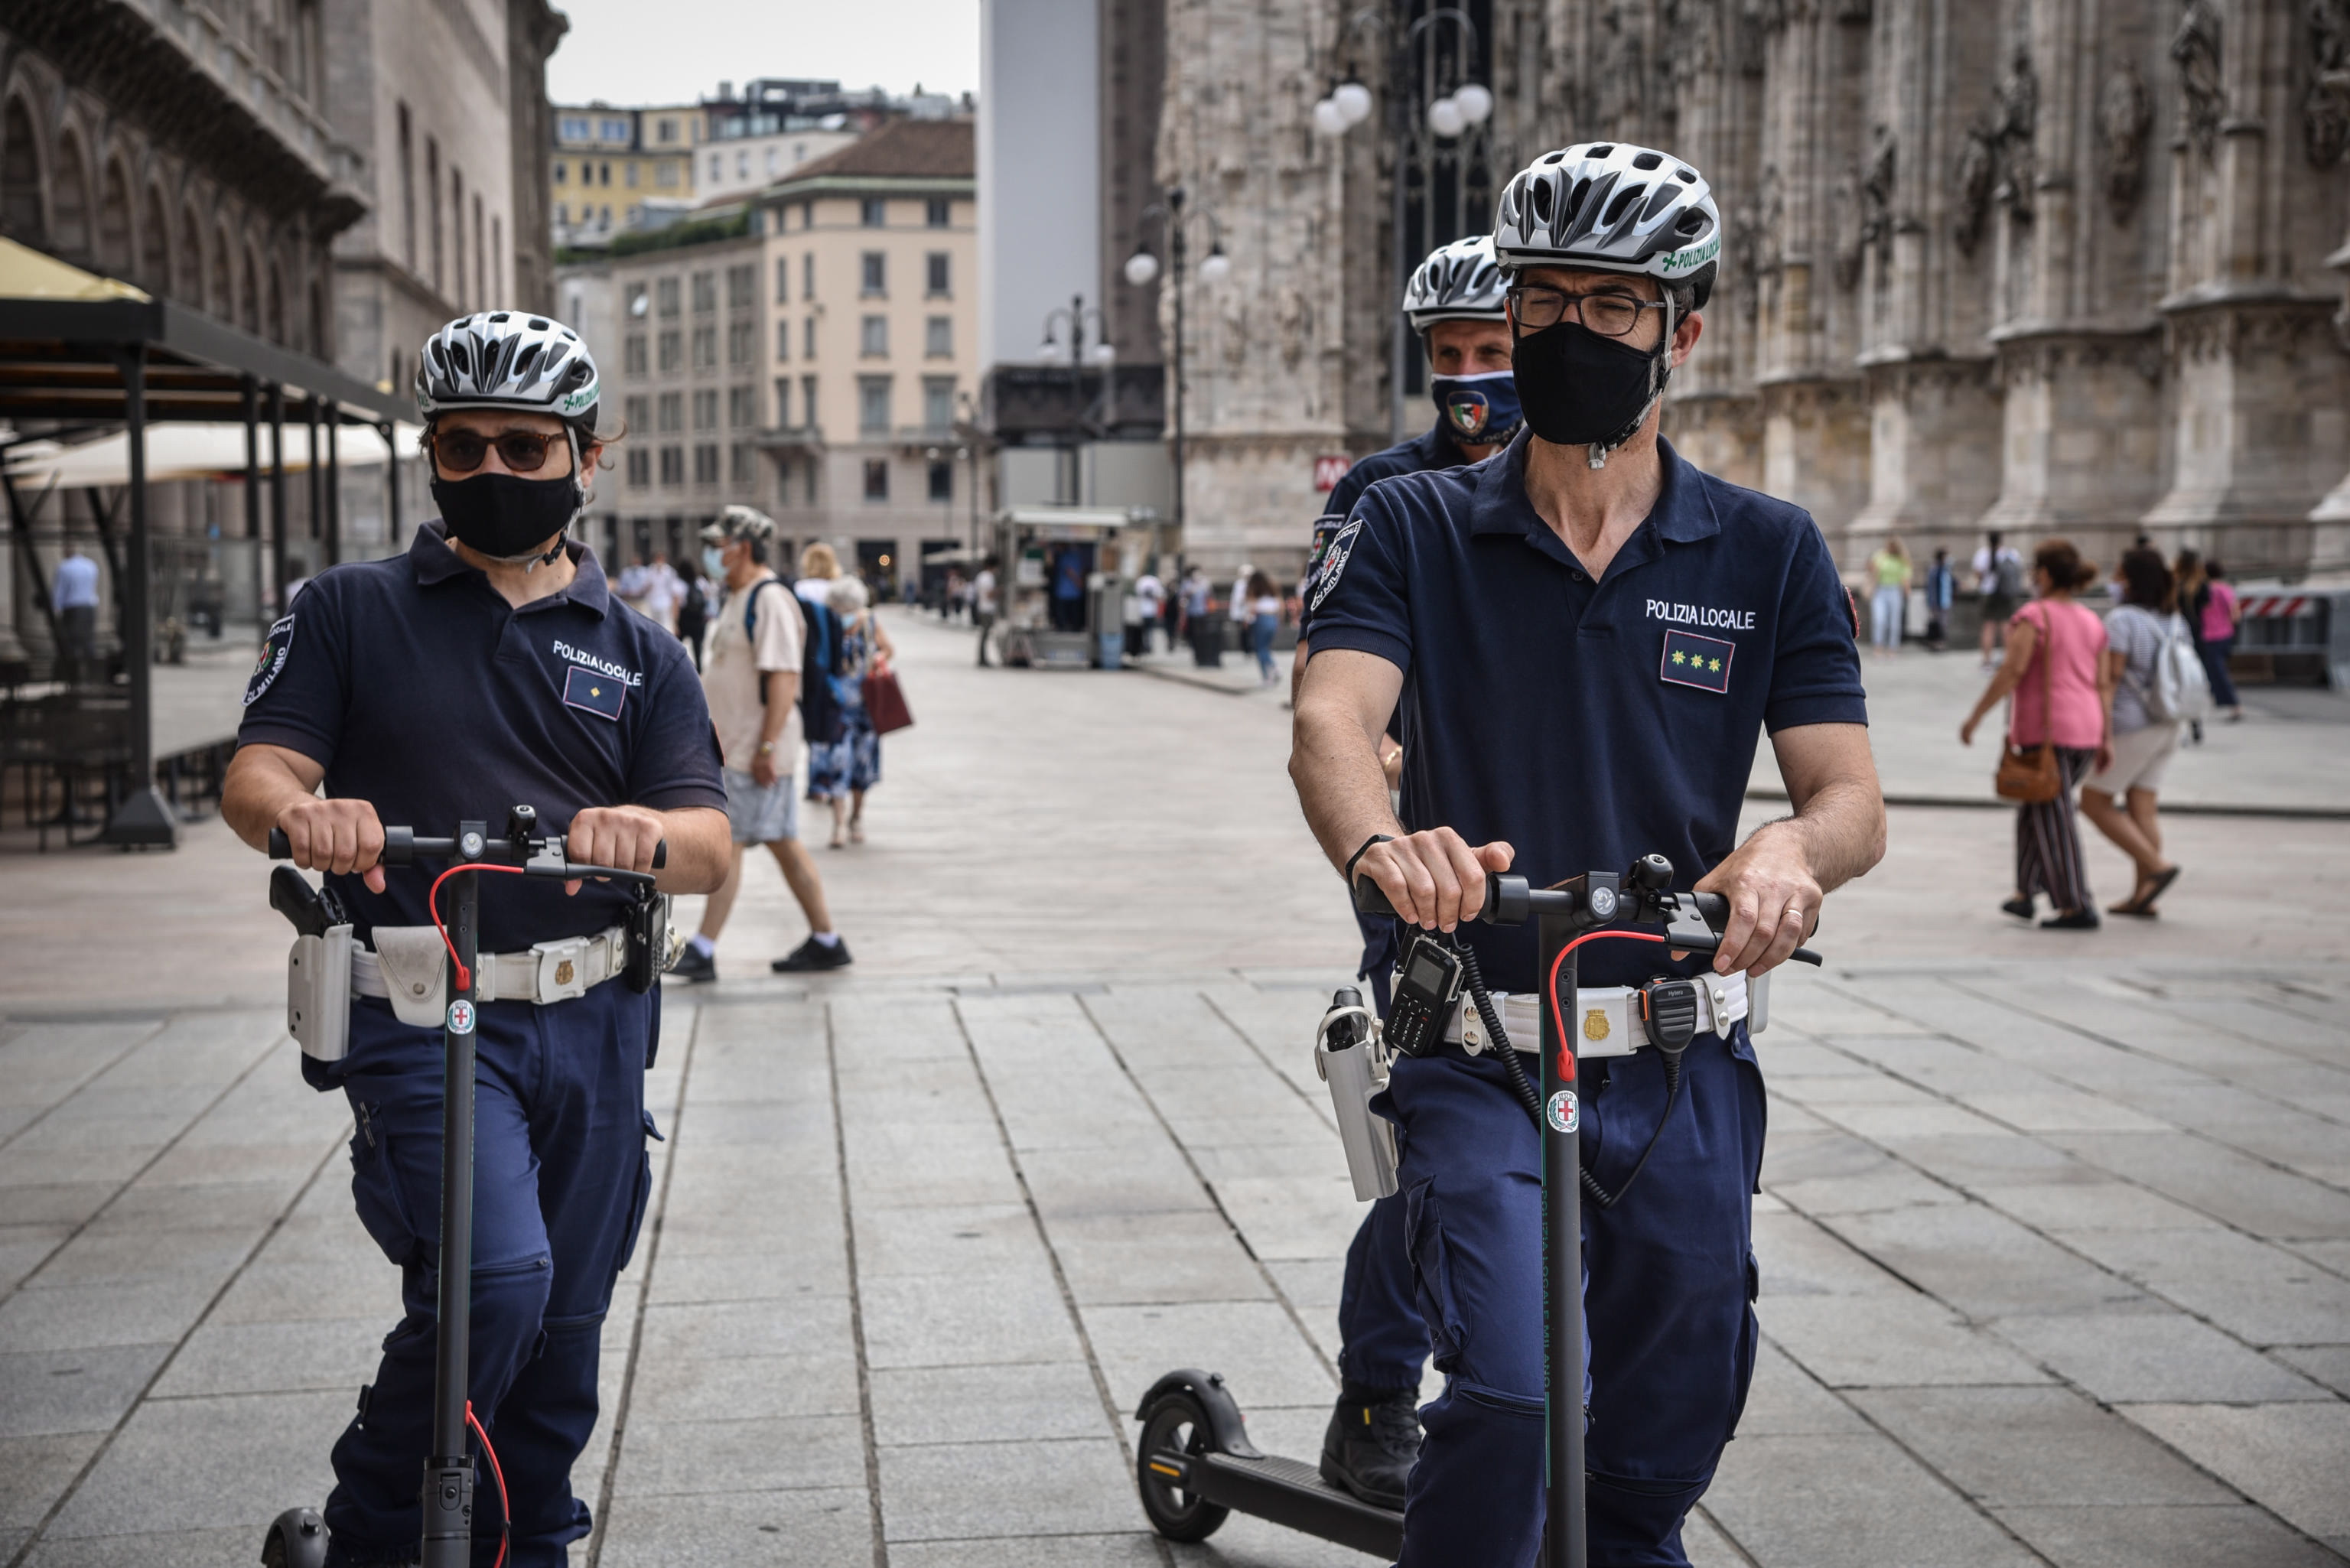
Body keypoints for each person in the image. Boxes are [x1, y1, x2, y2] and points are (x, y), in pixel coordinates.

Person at [1296, 142, 1883, 1566]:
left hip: (1678, 1056)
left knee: (1663, 1426)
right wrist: (1386, 841)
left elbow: (1849, 793)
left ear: (1682, 328)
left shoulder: (1765, 551)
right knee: (1506, 1394)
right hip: (1483, 1043)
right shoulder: (1408, 524)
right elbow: (1329, 718)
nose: (1569, 331)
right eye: (1543, 298)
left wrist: (1786, 855)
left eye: (1610, 306)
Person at [221, 311, 732, 1567]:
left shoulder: (640, 650)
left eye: (522, 447)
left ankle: (529, 1541)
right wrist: (302, 811)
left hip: (597, 1022)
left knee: (564, 1328)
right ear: (432, 456)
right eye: (463, 449)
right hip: (426, 1009)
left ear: (585, 457)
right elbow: (257, 772)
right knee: (494, 1283)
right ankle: (375, 1531)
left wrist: (644, 836)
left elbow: (712, 843)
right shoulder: (348, 609)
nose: (493, 473)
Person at [1288, 232, 1526, 1511]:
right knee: (1427, 1147)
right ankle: (1379, 1388)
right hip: (1422, 873)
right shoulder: (1386, 496)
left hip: (1564, 872)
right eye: (1452, 360)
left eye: (1496, 353)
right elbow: (1329, 689)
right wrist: (1379, 807)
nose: (1475, 381)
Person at [669, 507, 853, 982]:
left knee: (729, 846)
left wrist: (767, 749)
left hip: (754, 751)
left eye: (719, 544)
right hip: (740, 747)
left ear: (742, 547)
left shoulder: (769, 599)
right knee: (782, 844)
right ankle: (827, 940)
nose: (712, 553)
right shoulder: (740, 596)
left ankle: (705, 949)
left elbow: (784, 681)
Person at [1960, 539, 2111, 929]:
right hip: (2086, 729)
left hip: (2048, 731)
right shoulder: (2092, 620)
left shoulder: (2034, 616)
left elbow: (2011, 671)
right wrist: (2107, 736)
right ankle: (2025, 893)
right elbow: (2105, 682)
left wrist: (1975, 717)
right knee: (2038, 806)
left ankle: (2076, 903)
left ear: (2043, 575)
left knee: (2054, 818)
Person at [2081, 547, 2186, 917]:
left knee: (2093, 801)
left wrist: (2104, 734)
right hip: (2170, 722)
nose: (2115, 581)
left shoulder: (2122, 619)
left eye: (2120, 575)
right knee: (2144, 806)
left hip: (2133, 724)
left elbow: (2109, 681)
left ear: (2131, 580)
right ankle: (2144, 895)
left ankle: (2155, 867)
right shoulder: (2173, 619)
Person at [808, 574, 893, 848]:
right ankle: (839, 826)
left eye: (847, 609)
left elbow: (889, 649)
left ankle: (856, 817)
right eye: (839, 608)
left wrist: (878, 659)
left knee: (861, 768)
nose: (843, 614)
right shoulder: (829, 624)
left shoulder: (869, 622)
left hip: (866, 709)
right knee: (838, 765)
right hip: (838, 709)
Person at [2195, 557, 2244, 722]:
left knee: (2217, 672)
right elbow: (2235, 613)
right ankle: (2220, 701)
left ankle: (2234, 705)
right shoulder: (2226, 589)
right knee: (2215, 671)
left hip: (2210, 635)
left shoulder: (2205, 590)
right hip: (2225, 634)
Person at [1974, 529, 2024, 667]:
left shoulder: (1982, 554)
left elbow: (1978, 575)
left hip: (1988, 593)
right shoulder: (2011, 553)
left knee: (1988, 627)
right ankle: (2008, 660)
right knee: (2006, 627)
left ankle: (1987, 661)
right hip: (2005, 594)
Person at [2173, 548, 2208, 743]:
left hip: (2177, 635)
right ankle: (2195, 722)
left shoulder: (2174, 584)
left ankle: (2181, 724)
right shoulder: (2200, 585)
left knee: (2176, 682)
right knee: (2194, 682)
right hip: (2195, 635)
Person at [50, 542, 99, 675]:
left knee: (72, 642)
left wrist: (56, 608)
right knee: (88, 641)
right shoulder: (91, 566)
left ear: (68, 550)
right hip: (89, 607)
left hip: (73, 608)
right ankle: (93, 673)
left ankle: (73, 674)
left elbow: (59, 591)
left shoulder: (64, 567)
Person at [1865, 535, 1912, 657]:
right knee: (1879, 619)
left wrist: (1907, 592)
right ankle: (1878, 645)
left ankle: (1893, 647)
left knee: (1894, 621)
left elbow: (1905, 576)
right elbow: (1870, 569)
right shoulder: (1880, 555)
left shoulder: (1902, 559)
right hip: (1880, 590)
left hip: (1895, 590)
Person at [1245, 569, 1282, 686]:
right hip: (1273, 619)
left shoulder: (1254, 590)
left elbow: (1253, 608)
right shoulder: (1272, 590)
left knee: (1260, 649)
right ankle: (1274, 669)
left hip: (1261, 619)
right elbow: (1281, 606)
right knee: (1266, 648)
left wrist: (1247, 620)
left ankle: (1268, 676)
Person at [676, 555, 711, 671]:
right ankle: (699, 671)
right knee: (698, 649)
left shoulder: (679, 584)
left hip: (684, 620)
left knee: (677, 647)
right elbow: (707, 598)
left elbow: (676, 605)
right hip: (699, 620)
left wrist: (675, 623)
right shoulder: (701, 582)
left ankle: (679, 669)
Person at [1924, 546, 1956, 651]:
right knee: (1937, 623)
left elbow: (1952, 582)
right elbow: (1931, 587)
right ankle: (1935, 643)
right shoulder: (1935, 570)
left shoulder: (1946, 570)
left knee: (1943, 623)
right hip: (1937, 602)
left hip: (1944, 601)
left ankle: (1940, 642)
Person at [973, 555, 1000, 666]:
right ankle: (982, 659)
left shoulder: (981, 576)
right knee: (985, 635)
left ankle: (982, 658)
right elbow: (989, 594)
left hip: (982, 607)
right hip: (987, 609)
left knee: (984, 635)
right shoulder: (988, 577)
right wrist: (999, 591)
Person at [1134, 565, 1167, 656]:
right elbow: (1160, 596)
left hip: (1142, 610)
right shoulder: (1155, 581)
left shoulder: (1141, 581)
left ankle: (1145, 646)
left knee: (1144, 630)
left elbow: (1137, 594)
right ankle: (1149, 646)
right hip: (1151, 610)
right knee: (1150, 630)